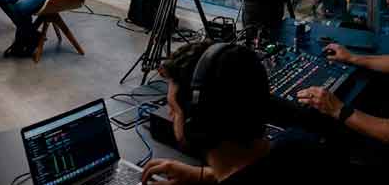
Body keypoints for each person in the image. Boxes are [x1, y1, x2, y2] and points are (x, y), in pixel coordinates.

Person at [141, 42, 340, 185]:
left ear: (197, 126)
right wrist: (205, 175)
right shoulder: (301, 146)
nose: (170, 115)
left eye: (174, 110)